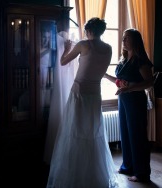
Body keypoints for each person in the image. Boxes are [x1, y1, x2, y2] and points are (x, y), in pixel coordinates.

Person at [46, 17, 119, 188]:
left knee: (74, 132)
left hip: (79, 94)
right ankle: (93, 175)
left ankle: (75, 175)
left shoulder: (83, 45)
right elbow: (98, 71)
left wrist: (66, 48)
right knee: (92, 134)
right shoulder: (108, 48)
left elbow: (64, 62)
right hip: (95, 95)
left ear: (89, 31)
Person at [104, 28, 154, 182]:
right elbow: (120, 81)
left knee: (137, 135)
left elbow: (149, 82)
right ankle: (128, 167)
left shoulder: (140, 60)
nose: (123, 41)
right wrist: (104, 75)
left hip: (135, 100)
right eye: (123, 38)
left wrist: (130, 87)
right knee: (125, 133)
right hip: (123, 100)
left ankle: (141, 172)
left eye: (127, 38)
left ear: (135, 41)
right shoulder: (123, 60)